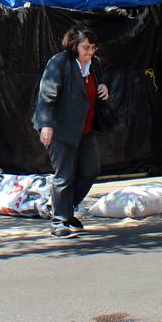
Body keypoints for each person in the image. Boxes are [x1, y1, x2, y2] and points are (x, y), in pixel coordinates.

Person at [32, 25, 112, 238]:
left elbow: (97, 86)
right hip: (61, 129)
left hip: (85, 129)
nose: (90, 52)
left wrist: (103, 87)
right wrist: (46, 124)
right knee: (65, 176)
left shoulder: (95, 65)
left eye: (93, 47)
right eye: (86, 47)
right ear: (73, 46)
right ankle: (59, 222)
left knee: (90, 170)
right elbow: (47, 95)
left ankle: (66, 211)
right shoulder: (59, 63)